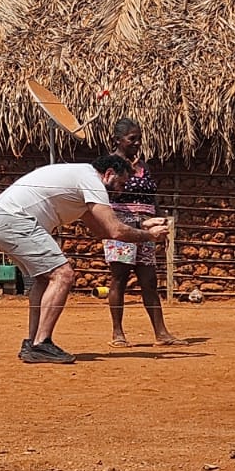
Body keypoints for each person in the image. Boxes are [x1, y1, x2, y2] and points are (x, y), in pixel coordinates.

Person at [0, 155, 170, 364]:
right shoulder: (92, 181)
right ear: (109, 173)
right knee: (63, 275)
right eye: (120, 184)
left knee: (44, 279)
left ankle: (33, 342)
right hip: (15, 219)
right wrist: (150, 236)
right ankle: (41, 343)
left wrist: (141, 226)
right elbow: (116, 231)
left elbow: (102, 231)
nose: (120, 191)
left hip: (2, 218)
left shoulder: (83, 183)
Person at [101, 119, 179, 347]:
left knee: (149, 280)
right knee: (120, 278)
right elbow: (105, 195)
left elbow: (152, 197)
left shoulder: (144, 166)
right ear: (118, 140)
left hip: (147, 227)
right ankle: (118, 333)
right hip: (121, 226)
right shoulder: (110, 165)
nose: (137, 143)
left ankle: (161, 333)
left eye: (139, 138)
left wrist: (161, 221)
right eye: (131, 138)